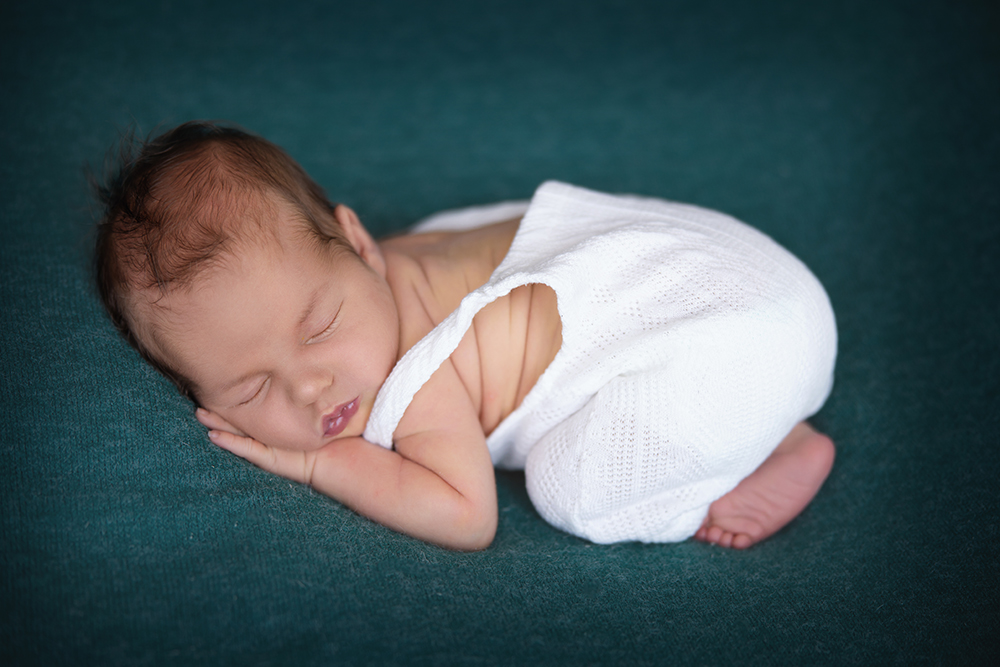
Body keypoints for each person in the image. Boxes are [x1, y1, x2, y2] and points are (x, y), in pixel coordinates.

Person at [95, 121, 837, 551]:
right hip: (751, 281)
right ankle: (771, 412)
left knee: (570, 489)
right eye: (250, 386)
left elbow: (466, 513)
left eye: (318, 327)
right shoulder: (383, 264)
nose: (309, 385)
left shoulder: (415, 379)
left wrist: (331, 468)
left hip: (740, 337)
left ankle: (778, 443)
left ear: (357, 243)